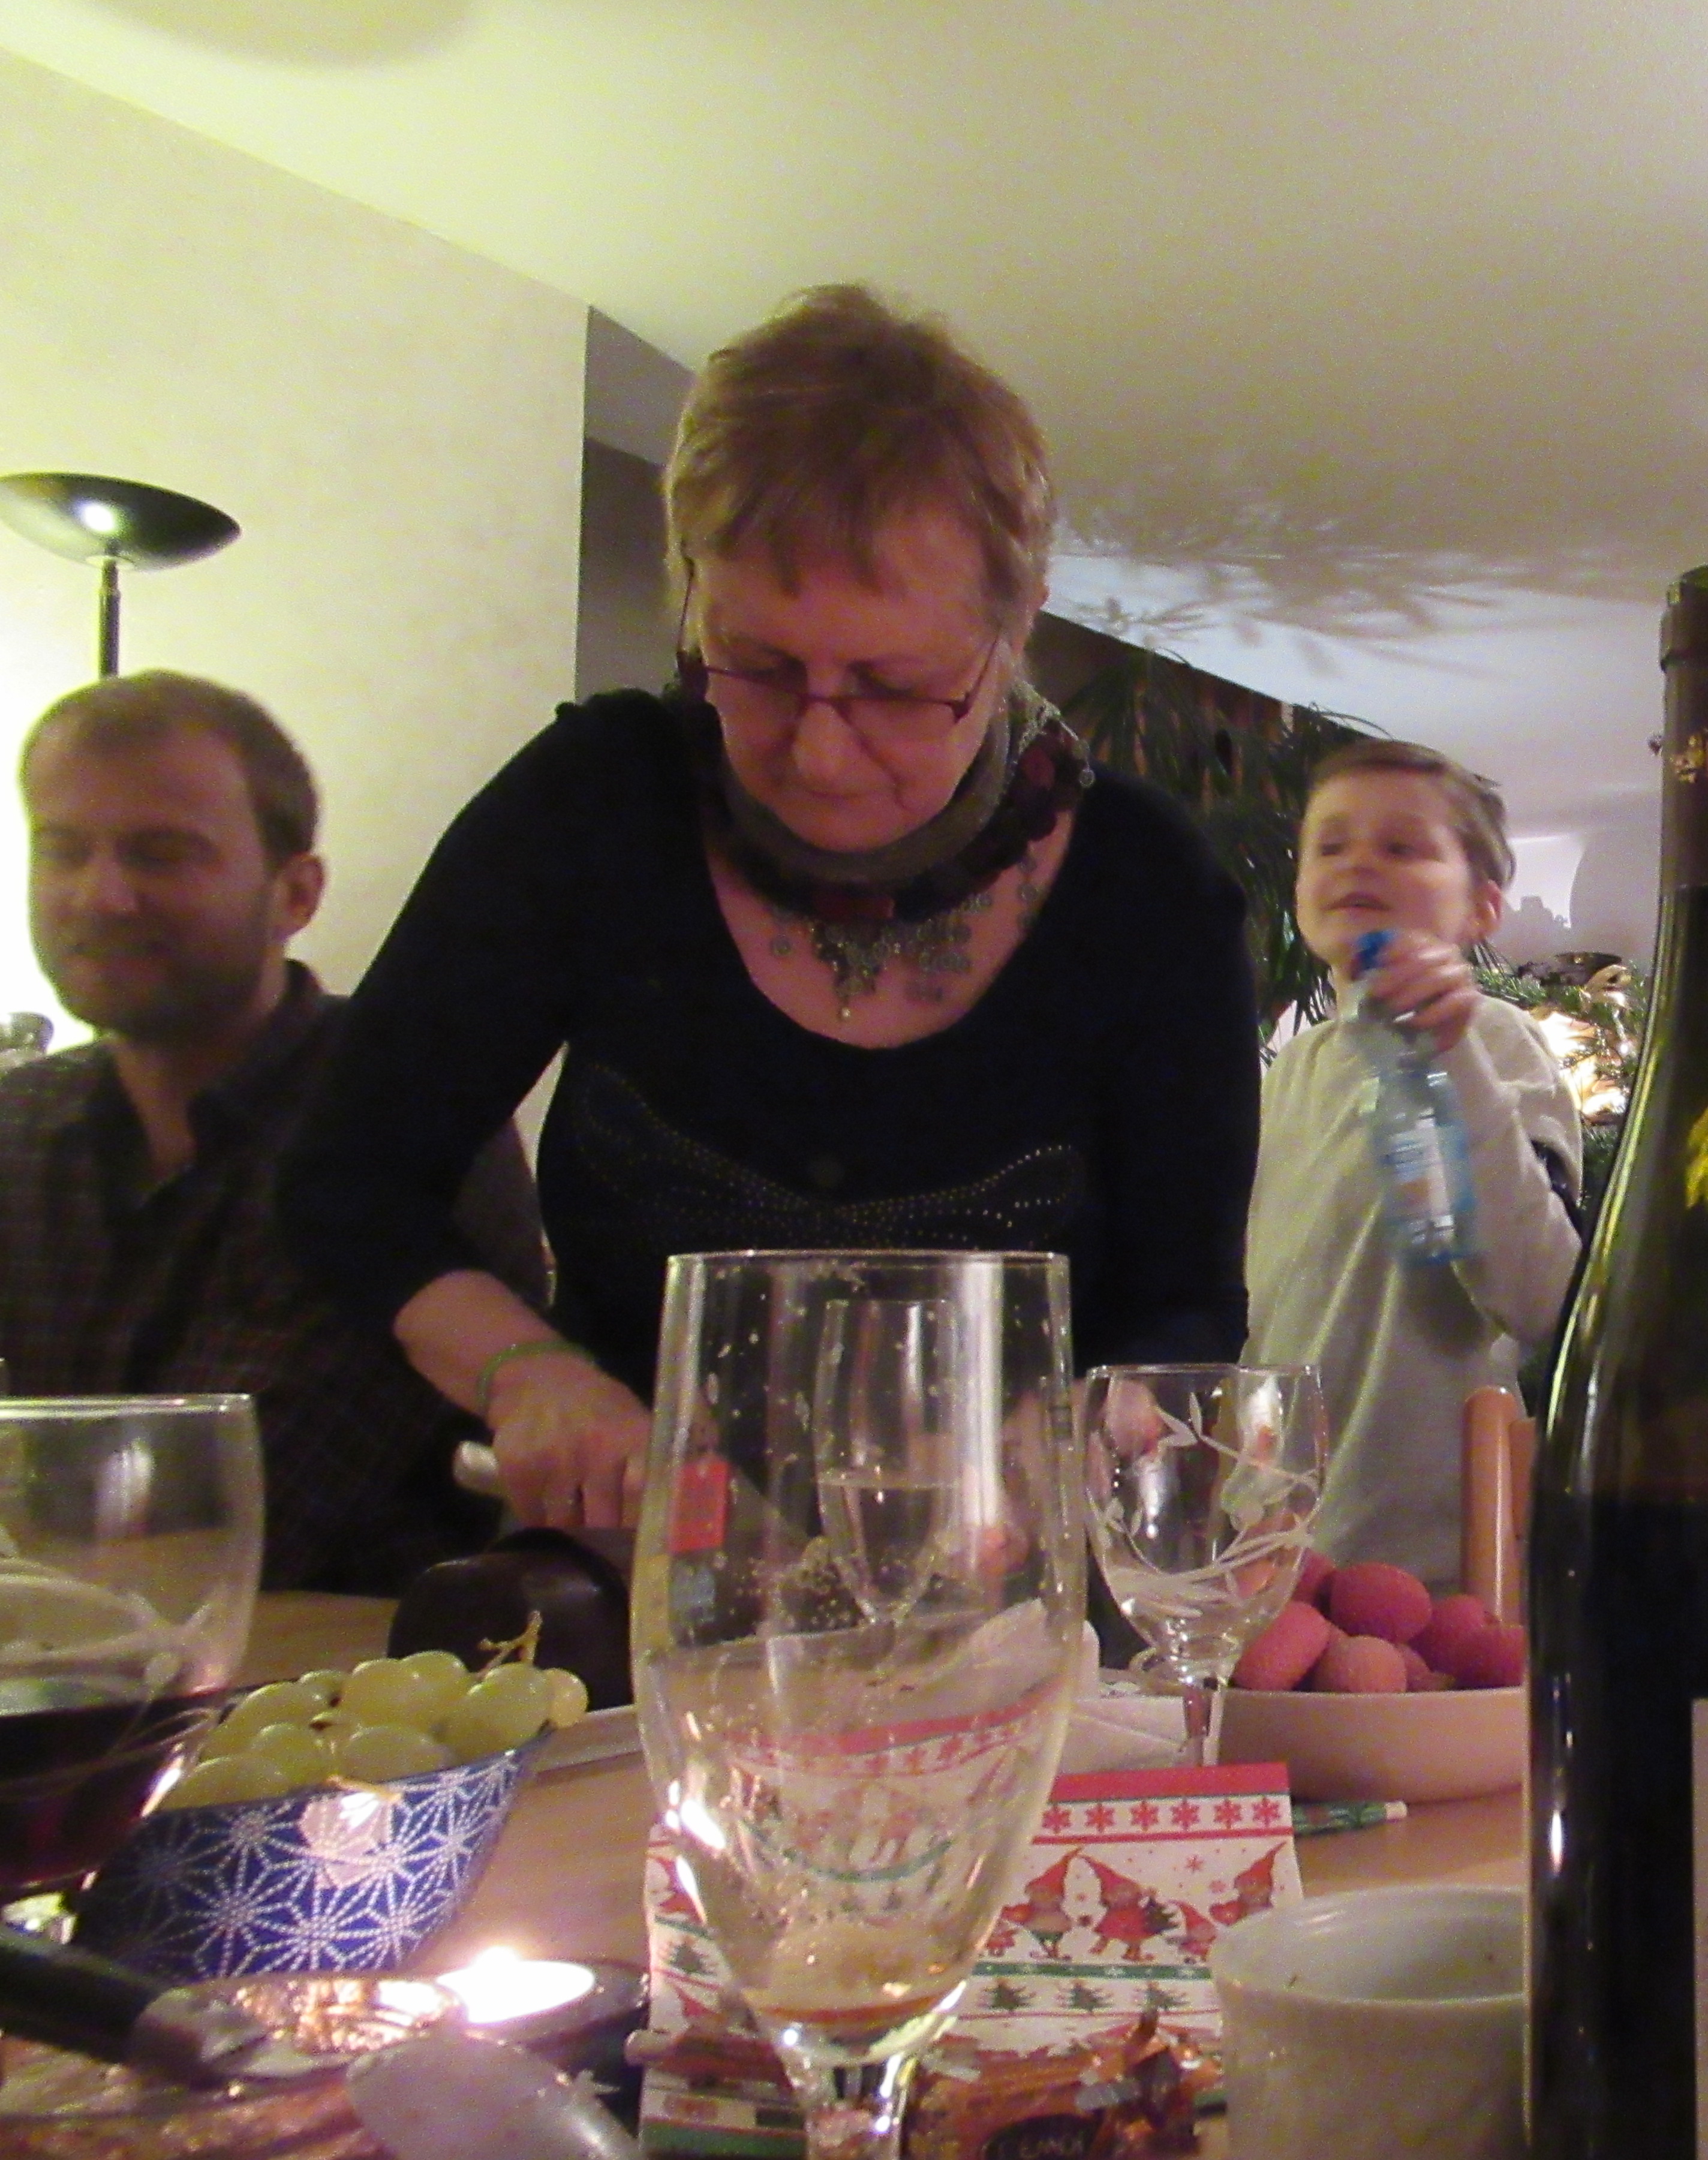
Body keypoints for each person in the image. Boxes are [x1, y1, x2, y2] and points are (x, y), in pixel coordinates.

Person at [284, 285, 1261, 1538]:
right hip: (633, 1572)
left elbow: (1187, 1311)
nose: (820, 752)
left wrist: (1076, 1434)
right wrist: (530, 1374)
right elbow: (351, 1182)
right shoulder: (595, 806)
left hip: (1006, 1583)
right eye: (754, 667)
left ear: (1013, 626)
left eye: (895, 686)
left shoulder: (1147, 890)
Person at [0, 673, 546, 1590]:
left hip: (324, 1665)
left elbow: (229, 1517)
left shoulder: (398, 1121)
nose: (101, 896)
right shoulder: (21, 1124)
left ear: (295, 893)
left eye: (161, 854)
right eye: (63, 851)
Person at [1245, 741, 1581, 1587]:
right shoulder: (1289, 1073)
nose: (1359, 861)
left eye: (1402, 846)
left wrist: (1449, 1054)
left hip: (1438, 1574)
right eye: (1330, 845)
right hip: (1276, 1557)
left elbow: (1540, 1293)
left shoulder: (1499, 1045)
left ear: (1482, 908)